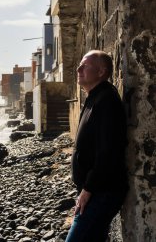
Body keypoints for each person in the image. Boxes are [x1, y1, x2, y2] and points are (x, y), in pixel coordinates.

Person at [65, 50, 128, 242]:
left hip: (102, 191)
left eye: (85, 66)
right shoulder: (95, 97)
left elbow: (107, 152)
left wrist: (88, 190)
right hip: (95, 190)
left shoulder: (106, 101)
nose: (78, 69)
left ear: (101, 72)